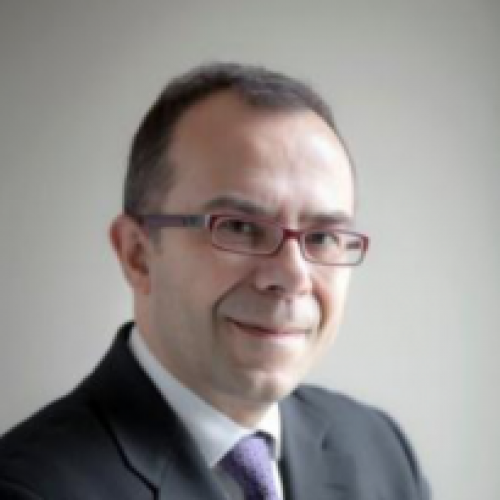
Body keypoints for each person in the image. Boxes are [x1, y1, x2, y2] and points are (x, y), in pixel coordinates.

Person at [0, 62, 430, 499]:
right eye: (239, 228)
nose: (292, 276)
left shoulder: (381, 451)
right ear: (138, 255)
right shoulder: (29, 490)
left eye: (322, 237)